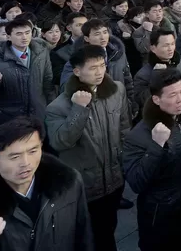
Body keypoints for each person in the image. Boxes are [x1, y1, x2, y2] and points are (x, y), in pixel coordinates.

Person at [0, 116, 94, 251]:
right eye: (15, 157)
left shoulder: (69, 184)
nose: (26, 163)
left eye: (33, 151)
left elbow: (83, 236)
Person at [45, 45, 131, 251]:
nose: (100, 72)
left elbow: (124, 128)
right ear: (77, 71)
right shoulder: (58, 106)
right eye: (93, 68)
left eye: (102, 65)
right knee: (89, 237)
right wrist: (79, 110)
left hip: (114, 179)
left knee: (108, 229)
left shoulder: (116, 90)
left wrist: (124, 162)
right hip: (85, 186)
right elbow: (60, 142)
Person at [122, 69, 181, 251]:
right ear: (157, 99)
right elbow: (136, 182)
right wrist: (156, 146)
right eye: (173, 94)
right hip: (159, 216)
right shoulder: (139, 135)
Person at [0, 18, 55, 125]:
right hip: (10, 117)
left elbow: (48, 83)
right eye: (19, 34)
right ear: (8, 37)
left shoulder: (41, 53)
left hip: (39, 113)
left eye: (27, 33)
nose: (24, 37)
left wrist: (51, 109)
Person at [133, 28, 181, 110]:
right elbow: (144, 101)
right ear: (153, 48)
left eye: (172, 44)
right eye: (166, 45)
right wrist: (157, 76)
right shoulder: (143, 75)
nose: (170, 49)